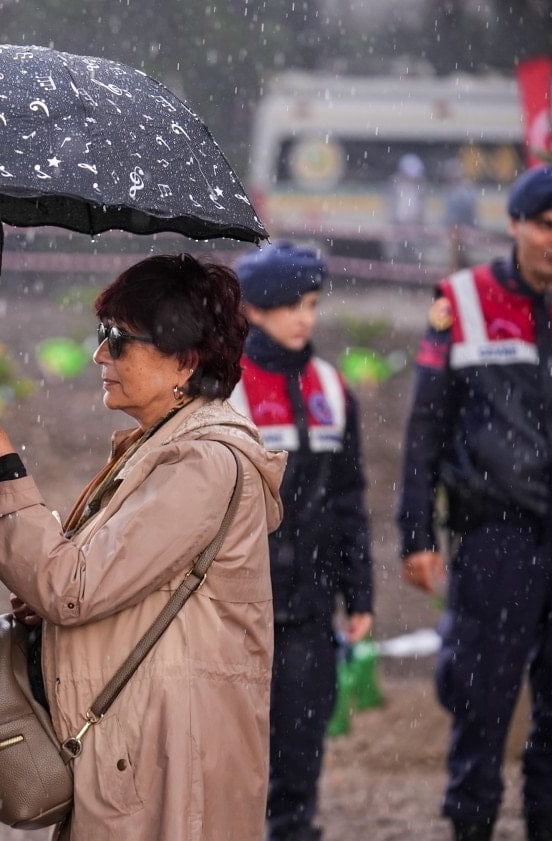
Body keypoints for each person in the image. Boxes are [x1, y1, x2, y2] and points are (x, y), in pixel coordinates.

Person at [0, 253, 286, 840]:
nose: (99, 355)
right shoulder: (161, 447)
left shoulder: (202, 464)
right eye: (102, 335)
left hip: (172, 762)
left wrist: (2, 471)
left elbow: (73, 587)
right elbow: (123, 588)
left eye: (119, 340)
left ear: (185, 359)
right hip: (145, 749)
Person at [397, 164, 552, 841]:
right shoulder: (465, 299)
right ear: (515, 224)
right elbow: (424, 427)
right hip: (497, 535)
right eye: (545, 225)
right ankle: (471, 825)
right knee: (482, 704)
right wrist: (415, 532)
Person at [231, 241, 375, 841]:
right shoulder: (226, 388)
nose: (304, 318)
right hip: (237, 605)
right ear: (253, 310)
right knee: (233, 750)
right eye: (290, 305)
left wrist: (359, 594)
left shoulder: (333, 389)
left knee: (300, 745)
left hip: (311, 606)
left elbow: (349, 499)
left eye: (312, 304)